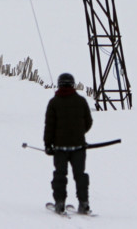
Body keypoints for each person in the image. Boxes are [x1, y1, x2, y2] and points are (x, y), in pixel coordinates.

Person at [43, 72, 93, 215]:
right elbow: (88, 122)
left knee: (60, 175)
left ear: (59, 84)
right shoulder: (81, 101)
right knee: (80, 176)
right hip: (79, 147)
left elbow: (49, 126)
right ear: (73, 84)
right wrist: (79, 134)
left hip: (60, 148)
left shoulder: (54, 102)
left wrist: (48, 144)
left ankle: (60, 203)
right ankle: (84, 203)